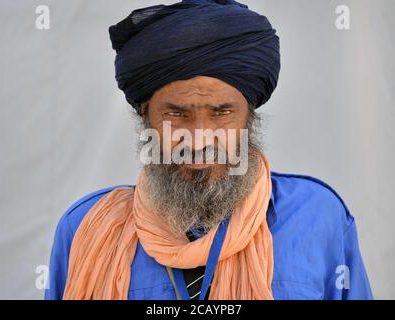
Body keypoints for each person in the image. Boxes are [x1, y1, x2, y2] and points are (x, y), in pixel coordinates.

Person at [45, 0, 373, 300]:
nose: (199, 140)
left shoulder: (319, 217)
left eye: (221, 113)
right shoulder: (85, 228)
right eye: (176, 114)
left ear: (250, 118)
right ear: (145, 118)